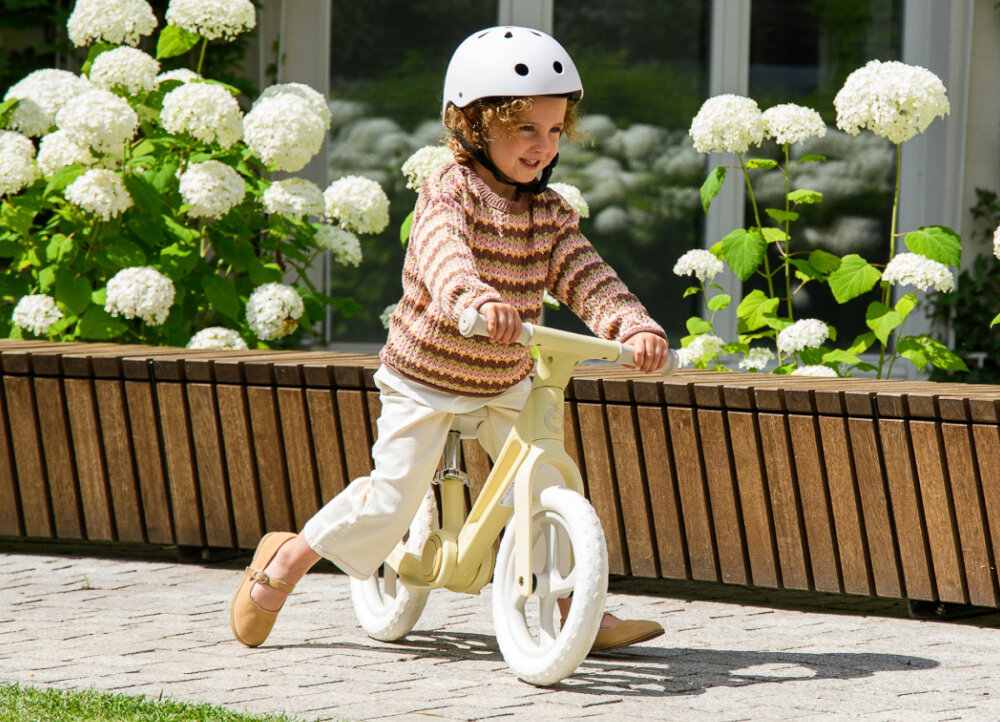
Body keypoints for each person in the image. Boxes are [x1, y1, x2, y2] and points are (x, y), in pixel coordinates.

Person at [231, 25, 669, 654]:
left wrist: (632, 326)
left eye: (553, 131)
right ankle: (287, 558)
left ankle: (577, 608)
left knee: (550, 486)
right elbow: (444, 256)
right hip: (425, 379)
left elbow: (586, 275)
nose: (542, 146)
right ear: (473, 126)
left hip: (503, 379)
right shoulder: (450, 193)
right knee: (391, 498)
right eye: (525, 130)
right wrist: (475, 298)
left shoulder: (547, 215)